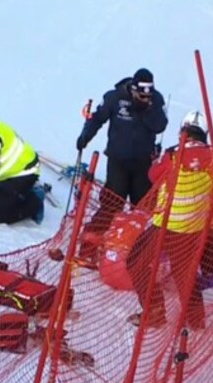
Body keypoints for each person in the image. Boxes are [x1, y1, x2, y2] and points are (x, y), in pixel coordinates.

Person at [125, 112, 213, 330]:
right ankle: (196, 321)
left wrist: (157, 161)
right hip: (195, 227)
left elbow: (153, 176)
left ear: (183, 132)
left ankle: (154, 312)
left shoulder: (173, 155)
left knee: (136, 262)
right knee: (186, 276)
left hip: (167, 226)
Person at [76, 68, 169, 262]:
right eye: (140, 95)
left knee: (142, 207)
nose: (144, 98)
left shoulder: (155, 100)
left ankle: (137, 253)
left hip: (143, 163)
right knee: (112, 204)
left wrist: (148, 109)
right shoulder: (114, 98)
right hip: (118, 160)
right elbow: (97, 119)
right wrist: (85, 137)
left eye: (148, 95)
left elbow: (160, 125)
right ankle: (88, 249)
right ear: (133, 89)